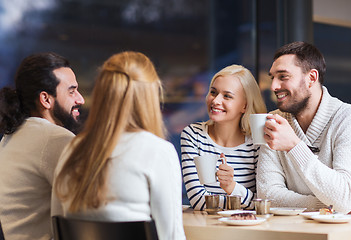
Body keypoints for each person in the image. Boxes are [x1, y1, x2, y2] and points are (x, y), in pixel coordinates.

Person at [53, 51, 185, 240]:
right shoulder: (158, 152)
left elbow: (57, 224)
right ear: (150, 96)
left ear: (101, 94)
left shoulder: (72, 149)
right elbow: (171, 236)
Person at [257, 41, 351, 214]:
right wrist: (327, 205)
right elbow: (268, 196)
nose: (274, 86)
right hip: (296, 232)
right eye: (272, 77)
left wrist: (294, 147)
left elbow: (343, 197)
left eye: (283, 76)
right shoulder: (274, 121)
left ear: (312, 78)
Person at [0, 52, 85, 240]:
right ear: (46, 99)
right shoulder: (57, 139)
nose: (80, 99)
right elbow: (88, 210)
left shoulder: (10, 137)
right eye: (71, 91)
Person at [181, 64, 267, 210]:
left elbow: (263, 203)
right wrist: (241, 201)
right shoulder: (192, 135)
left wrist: (231, 186)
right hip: (205, 229)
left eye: (227, 96)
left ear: (244, 106)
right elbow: (197, 200)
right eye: (213, 92)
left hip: (247, 229)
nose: (215, 101)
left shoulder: (257, 143)